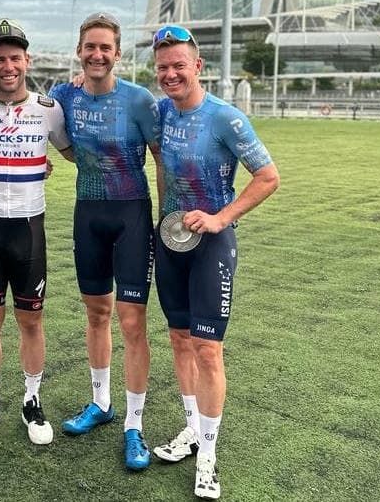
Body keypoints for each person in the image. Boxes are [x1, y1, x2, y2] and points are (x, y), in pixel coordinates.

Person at [149, 25, 280, 499]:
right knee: (179, 340)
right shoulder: (160, 112)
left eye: (178, 65)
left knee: (207, 349)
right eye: (162, 67)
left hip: (211, 247)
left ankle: (208, 453)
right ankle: (190, 431)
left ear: (197, 67)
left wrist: (222, 217)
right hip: (169, 242)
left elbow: (267, 176)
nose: (170, 74)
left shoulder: (225, 118)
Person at [48, 12, 160, 471]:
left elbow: (160, 159)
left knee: (132, 321)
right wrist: (65, 161)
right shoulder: (63, 96)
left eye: (105, 48)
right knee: (96, 312)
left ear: (117, 53)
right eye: (89, 47)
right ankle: (101, 403)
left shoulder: (139, 100)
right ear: (80, 50)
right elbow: (50, 135)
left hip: (132, 214)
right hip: (88, 214)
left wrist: (167, 220)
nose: (97, 55)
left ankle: (134, 424)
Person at [0, 18, 72, 447]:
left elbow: (72, 150)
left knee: (31, 319)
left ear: (28, 60)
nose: (9, 65)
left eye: (16, 57)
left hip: (30, 227)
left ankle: (31, 399)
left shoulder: (49, 110)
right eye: (0, 58)